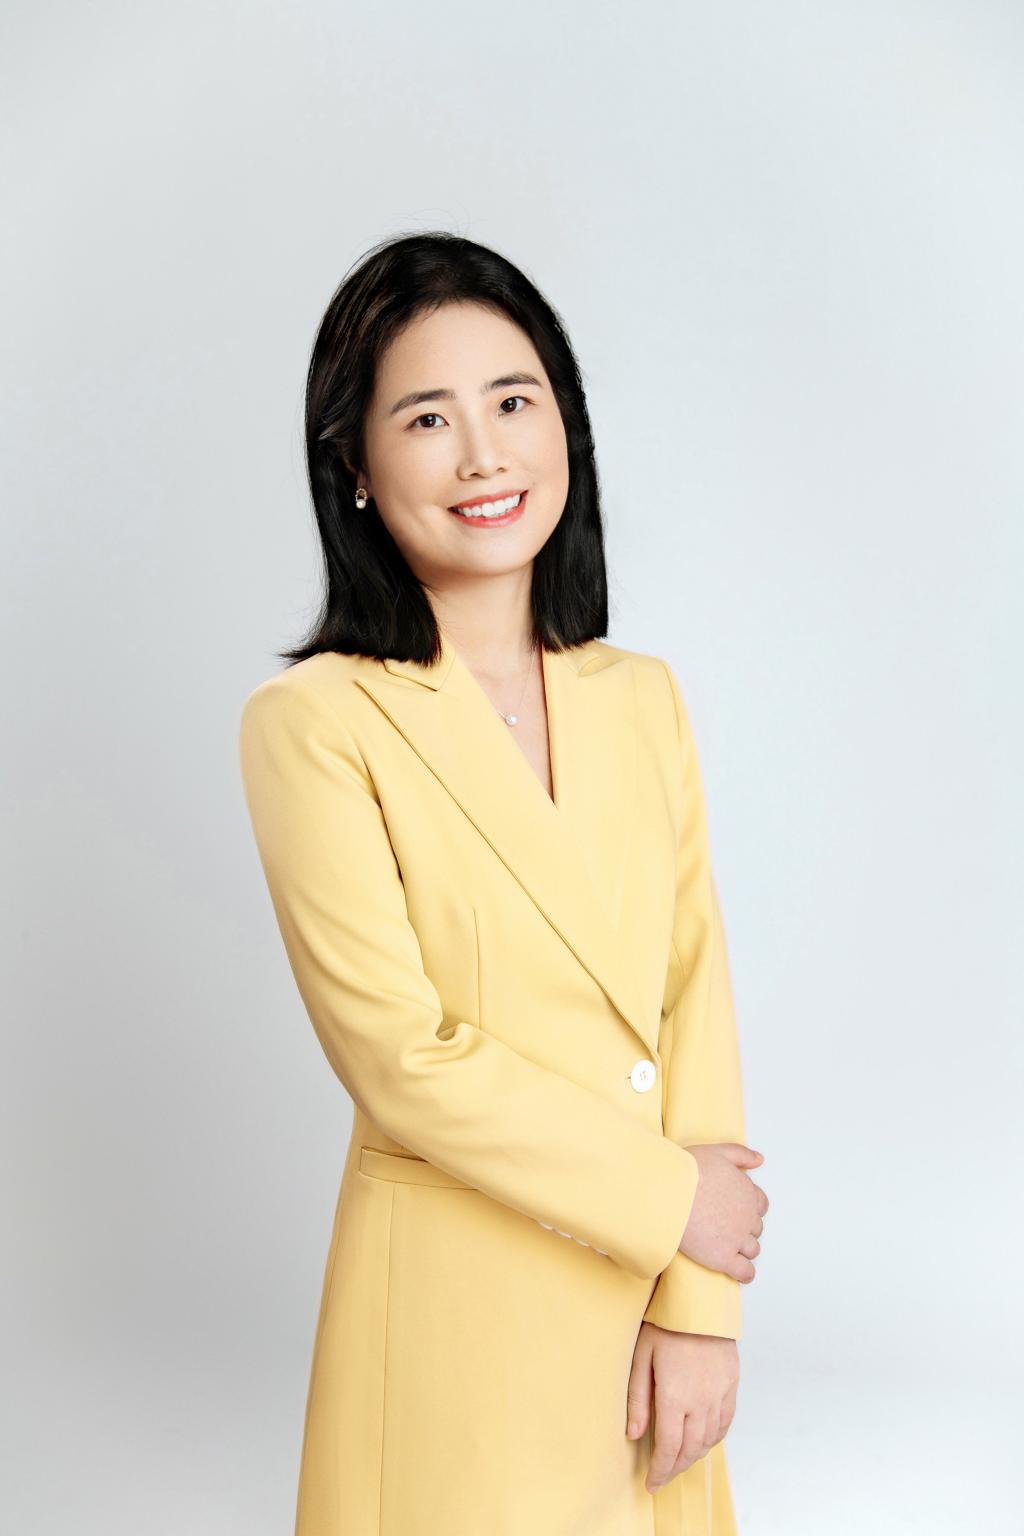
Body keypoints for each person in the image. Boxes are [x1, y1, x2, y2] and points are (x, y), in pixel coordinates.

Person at [238, 231, 769, 1536]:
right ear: (355, 466)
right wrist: (675, 1205)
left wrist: (701, 1304)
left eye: (514, 401)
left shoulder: (640, 698)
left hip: (647, 1314)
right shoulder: (317, 723)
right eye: (428, 418)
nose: (484, 456)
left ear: (564, 424)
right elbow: (403, 1059)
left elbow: (690, 995)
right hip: (456, 1326)